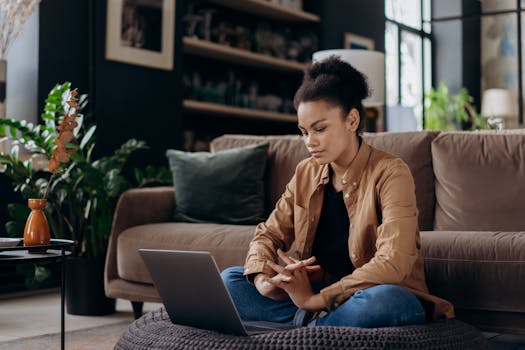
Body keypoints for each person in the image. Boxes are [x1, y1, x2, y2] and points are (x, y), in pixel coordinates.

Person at [221, 56, 454, 327]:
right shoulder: (306, 172)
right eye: (304, 132)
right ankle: (320, 325)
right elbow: (269, 234)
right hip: (321, 292)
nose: (310, 142)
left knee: (386, 301)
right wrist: (263, 281)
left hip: (371, 292)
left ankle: (305, 321)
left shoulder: (391, 172)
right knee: (231, 280)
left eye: (320, 129)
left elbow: (393, 263)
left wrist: (312, 300)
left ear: (352, 120)